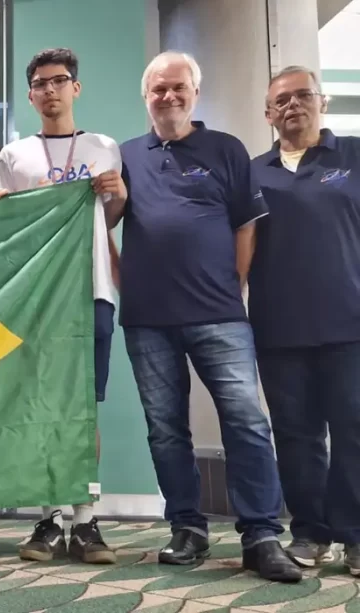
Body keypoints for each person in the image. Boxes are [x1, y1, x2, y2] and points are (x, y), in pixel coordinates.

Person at [113, 50, 299, 583]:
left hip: (219, 313)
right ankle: (186, 528)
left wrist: (233, 287)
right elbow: (101, 224)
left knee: (246, 421)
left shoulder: (225, 148)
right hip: (147, 320)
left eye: (179, 87)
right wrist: (127, 284)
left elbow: (246, 225)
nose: (168, 96)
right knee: (165, 429)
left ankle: (261, 535)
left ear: (195, 93)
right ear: (145, 96)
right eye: (159, 88)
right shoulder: (125, 156)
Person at [0, 48, 122, 565]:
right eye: (40, 83)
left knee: (84, 409)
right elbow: (7, 229)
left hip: (92, 289)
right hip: (37, 297)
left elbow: (109, 217)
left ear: (76, 88)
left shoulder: (105, 147)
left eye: (60, 80)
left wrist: (118, 194)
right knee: (43, 407)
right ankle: (49, 519)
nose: (50, 89)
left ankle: (86, 520)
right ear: (29, 95)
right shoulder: (14, 155)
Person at [249, 65, 360, 577]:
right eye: (282, 100)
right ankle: (311, 533)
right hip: (279, 328)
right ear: (268, 114)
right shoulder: (254, 171)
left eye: (302, 95)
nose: (292, 105)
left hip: (350, 324)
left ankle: (355, 535)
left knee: (354, 429)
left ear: (323, 102)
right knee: (296, 435)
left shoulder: (353, 155)